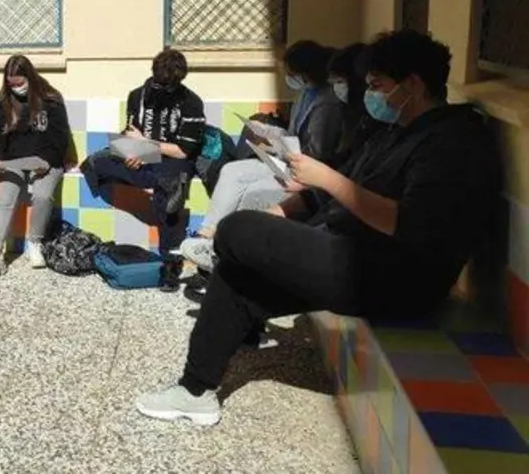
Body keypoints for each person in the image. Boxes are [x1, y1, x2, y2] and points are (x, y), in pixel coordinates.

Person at [136, 29, 501, 427]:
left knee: (239, 229)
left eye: (377, 86)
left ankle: (220, 262)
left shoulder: (454, 140)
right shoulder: (395, 133)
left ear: (413, 84)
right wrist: (287, 208)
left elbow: (409, 225)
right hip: (349, 249)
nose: (371, 96)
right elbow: (337, 190)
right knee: (238, 275)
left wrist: (324, 179)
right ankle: (195, 390)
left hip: (394, 276)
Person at [181, 41, 344, 269]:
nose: (288, 77)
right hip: (285, 158)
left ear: (306, 72)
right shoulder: (305, 94)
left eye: (291, 73)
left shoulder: (328, 104)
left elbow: (318, 152)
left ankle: (222, 244)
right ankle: (205, 234)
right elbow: (294, 132)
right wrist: (270, 134)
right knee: (231, 170)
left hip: (302, 170)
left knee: (249, 191)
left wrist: (279, 145)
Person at [81, 47, 206, 292]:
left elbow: (183, 151)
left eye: (168, 86)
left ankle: (171, 263)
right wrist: (134, 151)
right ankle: (150, 179)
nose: (161, 90)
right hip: (142, 155)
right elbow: (130, 132)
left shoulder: (191, 103)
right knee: (96, 163)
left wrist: (146, 146)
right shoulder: (137, 96)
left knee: (171, 192)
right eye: (158, 83)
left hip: (173, 159)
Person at [0, 55, 71, 283]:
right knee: (5, 197)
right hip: (14, 161)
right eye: (11, 83)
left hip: (46, 160)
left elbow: (61, 137)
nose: (15, 88)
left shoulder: (51, 99)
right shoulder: (4, 101)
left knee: (42, 195)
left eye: (19, 82)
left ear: (29, 77)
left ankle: (35, 241)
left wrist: (47, 161)